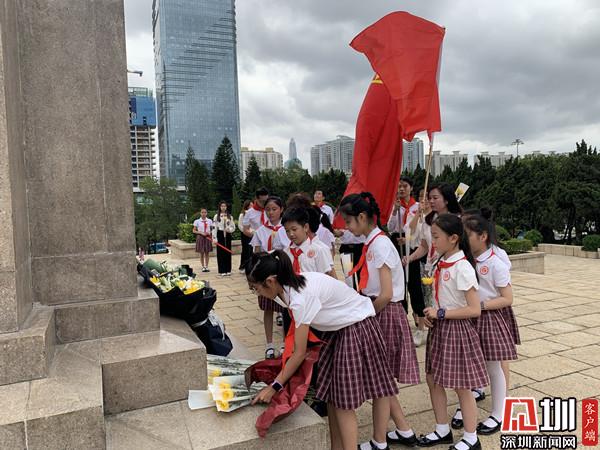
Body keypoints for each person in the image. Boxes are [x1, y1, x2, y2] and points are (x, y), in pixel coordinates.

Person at [246, 251, 399, 450]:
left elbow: (299, 352)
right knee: (332, 397)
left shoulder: (300, 297)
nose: (256, 293)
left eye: (255, 288)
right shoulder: (287, 286)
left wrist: (274, 386)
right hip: (337, 330)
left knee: (342, 403)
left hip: (356, 327)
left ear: (270, 281)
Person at [339, 192, 419, 450]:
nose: (347, 228)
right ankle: (404, 430)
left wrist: (364, 315)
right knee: (382, 379)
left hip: (383, 312)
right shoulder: (373, 243)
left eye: (349, 222)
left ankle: (380, 441)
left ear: (362, 217)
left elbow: (385, 293)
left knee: (380, 380)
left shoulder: (380, 245)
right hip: (379, 310)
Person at [417, 214, 488, 450]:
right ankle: (442, 429)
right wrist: (433, 314)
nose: (433, 241)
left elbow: (474, 309)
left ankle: (471, 437)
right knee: (433, 379)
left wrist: (441, 313)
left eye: (436, 237)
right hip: (440, 328)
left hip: (457, 331)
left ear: (454, 238)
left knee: (462, 386)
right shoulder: (440, 262)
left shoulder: (463, 267)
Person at [463, 213, 517, 436]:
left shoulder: (495, 263)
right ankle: (469, 405)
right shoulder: (466, 260)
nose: (463, 240)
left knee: (494, 366)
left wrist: (481, 306)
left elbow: (507, 298)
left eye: (467, 235)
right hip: (470, 316)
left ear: (483, 236)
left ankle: (499, 413)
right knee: (473, 364)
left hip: (489, 318)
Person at [388, 177, 428, 346]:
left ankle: (420, 325)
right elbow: (390, 228)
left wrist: (408, 240)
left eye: (404, 186)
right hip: (397, 245)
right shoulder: (395, 207)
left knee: (414, 285)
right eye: (399, 187)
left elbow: (419, 230)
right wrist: (395, 211)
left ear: (411, 188)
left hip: (413, 247)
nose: (401, 189)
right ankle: (402, 321)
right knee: (399, 284)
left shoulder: (418, 207)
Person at [250, 196, 290, 359]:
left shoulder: (287, 229)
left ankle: (285, 342)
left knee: (285, 308)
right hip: (265, 274)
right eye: (268, 210)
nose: (271, 212)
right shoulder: (260, 231)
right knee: (268, 309)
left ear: (281, 209)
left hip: (281, 273)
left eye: (274, 209)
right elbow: (256, 252)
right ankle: (269, 344)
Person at [213, 201, 235, 277]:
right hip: (220, 234)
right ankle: (222, 270)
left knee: (227, 252)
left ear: (226, 207)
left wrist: (230, 229)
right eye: (222, 206)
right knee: (220, 252)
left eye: (224, 206)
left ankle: (228, 269)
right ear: (220, 207)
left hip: (227, 234)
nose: (223, 207)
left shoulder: (229, 216)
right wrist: (214, 237)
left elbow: (233, 226)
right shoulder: (216, 216)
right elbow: (214, 227)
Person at [193, 208, 213, 272]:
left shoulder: (209, 221)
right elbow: (194, 230)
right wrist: (201, 232)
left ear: (206, 213)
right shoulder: (197, 221)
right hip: (200, 237)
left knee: (207, 252)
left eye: (205, 212)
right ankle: (203, 266)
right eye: (202, 212)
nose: (203, 214)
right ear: (200, 213)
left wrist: (209, 233)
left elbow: (212, 229)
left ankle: (207, 266)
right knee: (201, 252)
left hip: (207, 237)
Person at [238, 200, 253, 273]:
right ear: (247, 206)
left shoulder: (253, 214)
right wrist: (245, 231)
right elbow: (240, 225)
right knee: (245, 251)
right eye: (251, 205)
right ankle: (242, 267)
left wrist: (252, 231)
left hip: (251, 234)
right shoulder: (242, 214)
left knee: (251, 251)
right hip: (244, 234)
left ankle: (250, 266)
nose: (252, 207)